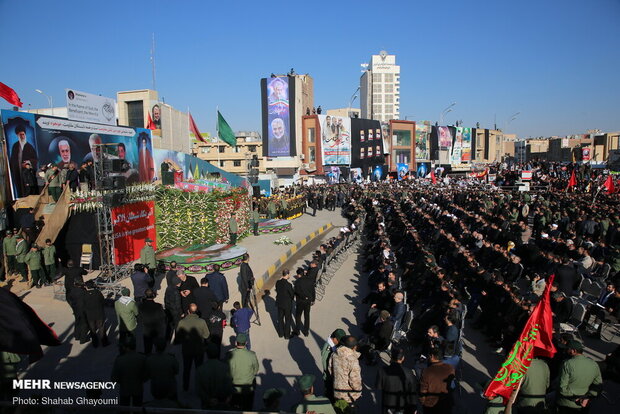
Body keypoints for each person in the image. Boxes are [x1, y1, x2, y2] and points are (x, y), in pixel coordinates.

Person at [557, 340, 603, 413]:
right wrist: (587, 397)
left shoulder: (567, 364)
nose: (565, 351)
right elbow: (598, 385)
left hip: (565, 404)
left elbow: (562, 388)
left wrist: (576, 399)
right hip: (584, 405)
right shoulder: (594, 364)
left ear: (573, 351)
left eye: (567, 349)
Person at [175, 303, 210, 391]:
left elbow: (178, 337)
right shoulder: (202, 322)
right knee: (199, 369)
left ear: (188, 311)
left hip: (186, 349)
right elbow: (206, 335)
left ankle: (185, 386)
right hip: (199, 349)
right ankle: (199, 386)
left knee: (186, 369)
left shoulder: (182, 322)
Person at [376, 347, 418, 414]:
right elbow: (412, 392)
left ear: (391, 357)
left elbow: (379, 387)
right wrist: (414, 407)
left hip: (388, 406)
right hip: (404, 406)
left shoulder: (382, 371)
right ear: (403, 358)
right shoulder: (409, 372)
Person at [111, 337, 147, 407]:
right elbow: (147, 375)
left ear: (126, 348)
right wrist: (140, 380)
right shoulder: (142, 358)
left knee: (124, 409)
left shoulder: (119, 360)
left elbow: (114, 378)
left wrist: (121, 381)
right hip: (138, 389)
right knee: (138, 408)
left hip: (124, 390)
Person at [196, 342, 233, 409]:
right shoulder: (225, 367)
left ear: (207, 354)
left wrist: (208, 400)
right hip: (222, 402)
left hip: (207, 404)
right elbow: (229, 384)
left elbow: (199, 389)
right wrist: (228, 397)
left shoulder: (200, 369)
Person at [228, 333, 259, 411]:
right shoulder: (252, 355)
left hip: (234, 387)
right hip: (248, 387)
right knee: (248, 407)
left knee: (234, 407)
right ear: (246, 343)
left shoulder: (230, 355)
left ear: (236, 343)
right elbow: (255, 370)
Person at [329, 335, 362, 408]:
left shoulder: (335, 354)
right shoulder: (353, 361)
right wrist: (358, 392)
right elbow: (355, 381)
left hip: (336, 391)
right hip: (348, 396)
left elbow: (330, 370)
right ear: (354, 347)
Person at [419, 348, 455, 414]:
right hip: (446, 402)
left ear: (432, 356)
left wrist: (423, 402)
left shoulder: (427, 371)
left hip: (431, 404)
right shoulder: (450, 368)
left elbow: (423, 390)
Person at [146, 338, 178, 402]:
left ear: (155, 347)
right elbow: (177, 371)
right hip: (170, 388)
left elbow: (147, 374)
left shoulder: (149, 359)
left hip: (156, 388)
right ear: (165, 347)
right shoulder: (171, 358)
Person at [9, 124, 38, 197]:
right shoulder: (15, 146)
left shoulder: (29, 147)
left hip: (27, 173)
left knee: (29, 189)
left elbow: (35, 159)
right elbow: (12, 159)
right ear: (17, 135)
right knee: (19, 189)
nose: (22, 136)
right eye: (20, 135)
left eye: (23, 134)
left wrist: (28, 163)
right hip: (17, 173)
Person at [321, 328, 346, 401]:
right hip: (329, 377)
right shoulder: (328, 348)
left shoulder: (334, 345)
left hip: (334, 375)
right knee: (330, 394)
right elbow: (325, 363)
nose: (340, 342)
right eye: (339, 340)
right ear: (334, 339)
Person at [139, 289, 166, 355]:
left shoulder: (141, 306)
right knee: (158, 348)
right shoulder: (158, 306)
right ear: (153, 296)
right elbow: (162, 317)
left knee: (147, 348)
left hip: (147, 329)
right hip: (157, 329)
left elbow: (140, 318)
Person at [84, 280, 109, 347]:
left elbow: (83, 304)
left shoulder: (84, 294)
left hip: (90, 315)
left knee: (92, 330)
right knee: (101, 328)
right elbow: (102, 301)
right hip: (99, 313)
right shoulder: (98, 293)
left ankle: (95, 343)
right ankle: (104, 342)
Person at [293, 266, 315, 337]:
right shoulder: (310, 280)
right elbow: (313, 290)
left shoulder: (297, 282)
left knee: (298, 315)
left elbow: (296, 292)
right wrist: (313, 299)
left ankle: (297, 330)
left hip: (300, 301)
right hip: (308, 301)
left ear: (299, 275)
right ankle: (306, 332)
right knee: (307, 315)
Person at [275, 269, 295, 339]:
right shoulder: (288, 285)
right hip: (287, 305)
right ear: (287, 274)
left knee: (280, 319)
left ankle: (280, 333)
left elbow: (277, 290)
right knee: (287, 319)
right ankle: (287, 335)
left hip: (279, 303)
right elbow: (292, 295)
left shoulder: (277, 282)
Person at [164, 276, 183, 340]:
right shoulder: (176, 291)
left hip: (169, 309)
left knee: (169, 325)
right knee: (177, 325)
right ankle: (177, 339)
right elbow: (178, 304)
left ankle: (167, 337)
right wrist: (181, 313)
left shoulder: (168, 288)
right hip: (176, 312)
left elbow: (165, 299)